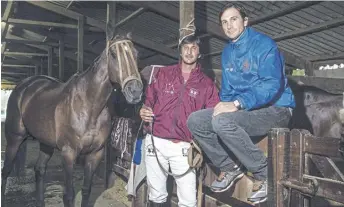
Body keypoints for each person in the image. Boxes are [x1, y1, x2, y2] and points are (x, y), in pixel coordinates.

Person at [187, 3, 295, 205]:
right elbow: (227, 91)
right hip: (249, 110)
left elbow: (271, 85)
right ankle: (229, 167)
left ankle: (267, 174)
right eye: (224, 22)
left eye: (234, 19)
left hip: (276, 108)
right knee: (196, 120)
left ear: (245, 21)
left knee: (222, 123)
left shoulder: (264, 45)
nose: (229, 26)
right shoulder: (227, 52)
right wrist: (222, 105)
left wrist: (237, 103)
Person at [139, 35, 220, 207]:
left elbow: (213, 115)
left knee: (188, 199)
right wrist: (144, 110)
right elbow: (149, 100)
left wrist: (200, 140)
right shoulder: (164, 74)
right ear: (180, 50)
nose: (189, 52)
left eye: (194, 48)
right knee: (156, 194)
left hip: (184, 146)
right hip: (156, 141)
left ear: (199, 53)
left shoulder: (206, 85)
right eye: (186, 47)